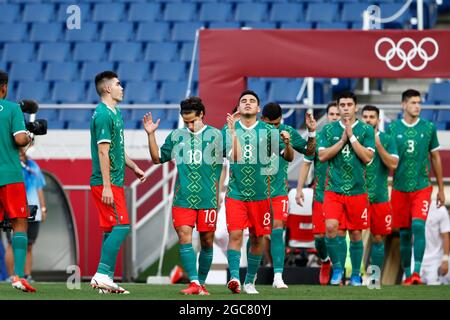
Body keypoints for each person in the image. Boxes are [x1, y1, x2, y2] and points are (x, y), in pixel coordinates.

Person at [143, 96, 230, 296]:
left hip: (208, 199)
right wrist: (151, 135)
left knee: (207, 241)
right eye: (186, 121)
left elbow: (236, 157)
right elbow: (157, 159)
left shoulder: (216, 136)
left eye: (193, 121)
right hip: (182, 199)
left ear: (202, 115)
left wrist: (233, 134)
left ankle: (201, 282)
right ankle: (194, 283)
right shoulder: (176, 136)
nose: (189, 125)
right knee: (185, 237)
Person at [223, 90, 293, 295]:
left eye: (252, 101)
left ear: (258, 109)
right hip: (236, 194)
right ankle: (235, 277)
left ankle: (249, 281)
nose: (247, 103)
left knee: (257, 238)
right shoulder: (227, 129)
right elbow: (234, 157)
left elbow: (287, 157)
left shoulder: (268, 131)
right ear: (238, 106)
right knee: (235, 234)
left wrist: (288, 144)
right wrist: (232, 132)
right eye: (243, 100)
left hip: (262, 195)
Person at [89, 71, 146, 294]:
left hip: (114, 181)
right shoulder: (103, 115)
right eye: (118, 84)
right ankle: (102, 275)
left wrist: (134, 167)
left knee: (111, 229)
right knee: (122, 226)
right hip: (108, 183)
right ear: (107, 89)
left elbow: (116, 149)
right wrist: (106, 186)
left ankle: (106, 280)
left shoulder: (116, 112)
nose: (122, 88)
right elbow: (103, 152)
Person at [387, 89, 445, 285]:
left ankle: (416, 273)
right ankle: (407, 274)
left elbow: (435, 157)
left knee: (418, 225)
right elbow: (386, 159)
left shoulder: (429, 127)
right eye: (413, 103)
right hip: (399, 188)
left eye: (419, 102)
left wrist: (441, 188)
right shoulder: (393, 128)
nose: (417, 106)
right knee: (404, 233)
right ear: (403, 105)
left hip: (422, 187)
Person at [318, 91, 375, 286]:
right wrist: (342, 140)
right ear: (338, 106)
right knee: (332, 228)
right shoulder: (328, 130)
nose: (345, 108)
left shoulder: (366, 130)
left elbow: (367, 158)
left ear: (356, 107)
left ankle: (357, 275)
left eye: (349, 104)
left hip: (358, 191)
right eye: (342, 105)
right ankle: (337, 270)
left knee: (356, 233)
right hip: (333, 189)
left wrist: (351, 137)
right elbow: (323, 156)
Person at [260, 102, 316, 289]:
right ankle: (248, 278)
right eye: (271, 125)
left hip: (278, 191)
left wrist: (311, 133)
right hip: (256, 192)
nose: (276, 128)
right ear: (262, 120)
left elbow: (310, 152)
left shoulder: (287, 131)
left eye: (278, 124)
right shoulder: (254, 133)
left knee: (278, 228)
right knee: (255, 234)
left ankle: (278, 276)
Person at [296, 102, 343, 285]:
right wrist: (299, 189)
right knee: (318, 238)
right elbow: (306, 163)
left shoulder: (349, 139)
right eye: (331, 114)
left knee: (339, 235)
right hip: (321, 196)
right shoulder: (318, 139)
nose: (334, 117)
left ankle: (339, 272)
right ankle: (325, 262)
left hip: (340, 195)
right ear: (327, 117)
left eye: (337, 114)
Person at [0, 70, 35, 292]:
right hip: (9, 175)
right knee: (19, 223)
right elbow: (20, 138)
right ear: (4, 87)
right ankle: (19, 277)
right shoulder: (12, 108)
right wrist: (30, 136)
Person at [361, 105, 399, 283]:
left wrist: (377, 144)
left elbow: (393, 164)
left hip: (380, 197)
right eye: (366, 117)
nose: (368, 120)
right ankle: (352, 276)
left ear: (378, 120)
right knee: (350, 236)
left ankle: (374, 279)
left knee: (377, 238)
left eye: (372, 117)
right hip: (357, 196)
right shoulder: (355, 138)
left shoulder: (387, 139)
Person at [5, 147, 47, 283]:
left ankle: (27, 275)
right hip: (13, 210)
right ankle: (12, 275)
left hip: (33, 212)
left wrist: (43, 209)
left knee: (29, 245)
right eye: (18, 151)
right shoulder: (10, 166)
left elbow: (39, 188)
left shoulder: (34, 166)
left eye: (23, 151)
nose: (21, 153)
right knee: (12, 243)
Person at [420, 202, 450, 285]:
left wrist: (445, 259)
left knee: (435, 290)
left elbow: (446, 236)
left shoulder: (440, 209)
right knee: (406, 287)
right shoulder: (411, 206)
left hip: (436, 259)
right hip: (416, 259)